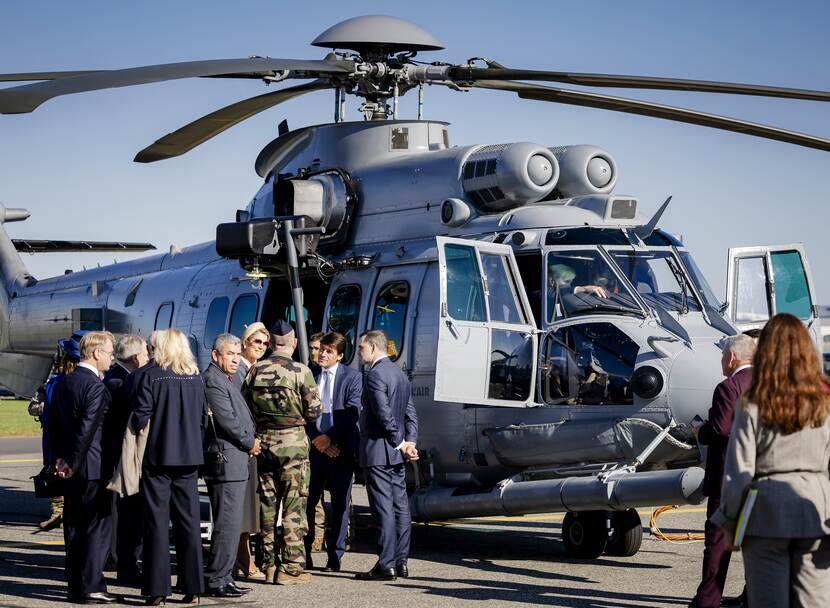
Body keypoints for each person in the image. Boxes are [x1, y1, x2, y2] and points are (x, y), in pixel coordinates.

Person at [713, 313, 830, 608]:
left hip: (767, 509)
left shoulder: (753, 403)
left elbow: (739, 469)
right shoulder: (824, 403)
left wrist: (728, 522)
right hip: (817, 507)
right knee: (815, 601)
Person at [242, 319, 321, 585]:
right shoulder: (301, 371)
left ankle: (268, 565)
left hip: (264, 444)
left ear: (272, 343)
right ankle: (291, 568)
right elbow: (314, 412)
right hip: (293, 446)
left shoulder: (254, 371)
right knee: (293, 504)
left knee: (266, 505)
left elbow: (244, 407)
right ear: (294, 343)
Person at [131, 328, 206, 605]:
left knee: (157, 524)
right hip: (189, 457)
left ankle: (157, 589)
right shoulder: (195, 377)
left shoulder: (150, 376)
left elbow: (141, 416)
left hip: (158, 457)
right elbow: (202, 419)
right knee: (189, 523)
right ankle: (193, 586)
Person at [689, 334, 756, 608]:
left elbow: (720, 429)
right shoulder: (770, 384)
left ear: (731, 357)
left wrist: (699, 430)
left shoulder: (728, 387)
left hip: (728, 477)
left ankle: (707, 600)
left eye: (722, 357)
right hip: (760, 476)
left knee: (716, 543)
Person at [51, 331, 118, 604]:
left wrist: (61, 459)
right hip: (91, 466)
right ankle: (92, 586)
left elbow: (54, 424)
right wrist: (74, 464)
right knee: (97, 528)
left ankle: (75, 584)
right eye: (110, 353)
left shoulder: (65, 382)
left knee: (75, 527)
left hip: (71, 465)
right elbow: (87, 430)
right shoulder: (95, 386)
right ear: (96, 354)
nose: (112, 358)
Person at [355, 329, 418, 582]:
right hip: (396, 453)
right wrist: (410, 441)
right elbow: (410, 413)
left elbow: (383, 415)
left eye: (361, 348)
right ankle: (401, 562)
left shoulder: (375, 375)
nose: (359, 353)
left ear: (373, 347)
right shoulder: (399, 375)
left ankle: (386, 564)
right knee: (400, 506)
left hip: (379, 451)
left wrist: (401, 442)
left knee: (383, 509)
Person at [202, 333, 261, 598]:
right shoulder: (213, 381)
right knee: (226, 524)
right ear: (216, 355)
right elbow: (227, 420)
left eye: (238, 354)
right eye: (230, 354)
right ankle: (216, 580)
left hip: (235, 461)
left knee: (231, 523)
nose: (236, 359)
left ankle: (224, 576)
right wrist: (250, 441)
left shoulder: (228, 378)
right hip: (227, 460)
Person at [304, 332, 362, 572]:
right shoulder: (310, 373)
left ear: (339, 355)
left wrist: (330, 439)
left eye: (328, 351)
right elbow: (302, 409)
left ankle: (334, 556)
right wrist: (318, 439)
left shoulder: (353, 377)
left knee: (339, 505)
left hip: (340, 451)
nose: (322, 354)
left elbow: (351, 413)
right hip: (316, 449)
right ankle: (304, 553)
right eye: (321, 350)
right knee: (308, 502)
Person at [102, 334, 149, 585]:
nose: (148, 357)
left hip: (115, 453)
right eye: (145, 353)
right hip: (118, 454)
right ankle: (120, 560)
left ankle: (117, 557)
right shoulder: (122, 382)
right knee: (122, 510)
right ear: (134, 357)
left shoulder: (117, 378)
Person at [30, 331, 86, 531]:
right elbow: (35, 406)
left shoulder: (57, 383)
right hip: (71, 437)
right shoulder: (56, 383)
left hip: (58, 437)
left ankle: (62, 512)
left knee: (57, 470)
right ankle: (59, 511)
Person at [234, 322, 268, 582]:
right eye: (256, 342)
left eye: (265, 343)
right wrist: (249, 441)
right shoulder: (237, 372)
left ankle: (240, 559)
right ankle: (245, 560)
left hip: (253, 445)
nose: (261, 347)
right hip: (243, 446)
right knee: (241, 507)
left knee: (248, 507)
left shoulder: (257, 370)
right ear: (244, 342)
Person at [306, 330, 327, 553]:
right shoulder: (307, 372)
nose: (315, 352)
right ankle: (317, 536)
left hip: (330, 440)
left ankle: (345, 533)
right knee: (315, 494)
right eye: (312, 348)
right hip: (313, 440)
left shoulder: (330, 373)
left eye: (319, 348)